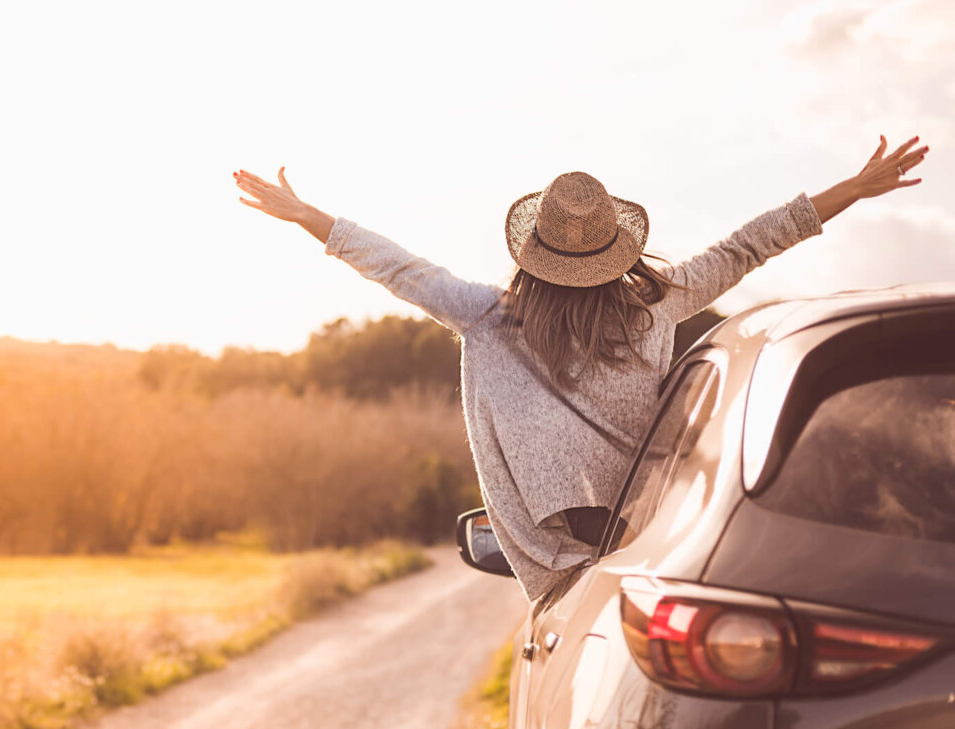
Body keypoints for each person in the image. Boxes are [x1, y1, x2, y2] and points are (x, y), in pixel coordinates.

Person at [233, 135, 929, 603]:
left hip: (568, 578)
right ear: (615, 250)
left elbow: (399, 268)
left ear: (533, 250)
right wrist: (852, 188)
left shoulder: (485, 317)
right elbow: (752, 243)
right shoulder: (658, 306)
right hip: (660, 554)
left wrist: (308, 218)